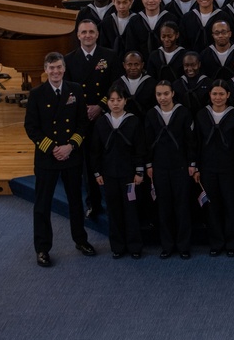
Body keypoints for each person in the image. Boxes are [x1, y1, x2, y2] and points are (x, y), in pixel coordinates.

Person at [23, 52, 95, 267]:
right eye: (51, 68)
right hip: (48, 158)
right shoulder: (36, 94)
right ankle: (43, 248)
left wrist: (70, 146)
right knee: (42, 205)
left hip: (71, 156)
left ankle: (81, 240)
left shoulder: (75, 90)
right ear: (45, 70)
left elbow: (83, 123)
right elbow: (31, 128)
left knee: (75, 201)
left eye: (59, 67)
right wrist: (53, 148)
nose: (55, 72)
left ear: (64, 69)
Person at [64, 19, 121, 221]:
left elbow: (116, 85)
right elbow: (68, 91)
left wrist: (101, 105)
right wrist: (83, 109)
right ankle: (93, 203)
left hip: (105, 115)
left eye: (91, 32)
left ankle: (113, 201)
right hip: (83, 117)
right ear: (78, 35)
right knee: (89, 162)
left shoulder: (109, 56)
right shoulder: (69, 60)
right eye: (83, 32)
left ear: (97, 34)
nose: (87, 35)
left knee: (109, 158)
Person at [90, 84, 145, 259]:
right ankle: (118, 246)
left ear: (125, 101)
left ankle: (135, 246)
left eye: (119, 100)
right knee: (113, 211)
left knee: (131, 211)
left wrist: (139, 172)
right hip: (109, 175)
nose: (115, 103)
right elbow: (95, 151)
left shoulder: (134, 121)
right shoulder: (101, 122)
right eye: (112, 100)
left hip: (129, 175)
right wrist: (98, 173)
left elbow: (140, 148)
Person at [193, 80, 234, 257]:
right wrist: (196, 167)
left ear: (228, 95)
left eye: (222, 94)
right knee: (212, 206)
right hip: (207, 168)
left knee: (230, 205)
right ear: (210, 95)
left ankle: (232, 243)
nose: (218, 97)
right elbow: (196, 143)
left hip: (229, 167)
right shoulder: (201, 114)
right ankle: (216, 242)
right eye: (215, 94)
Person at [145, 80, 195, 259]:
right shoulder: (151, 114)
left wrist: (192, 163)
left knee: (182, 207)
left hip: (180, 166)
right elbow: (148, 142)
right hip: (159, 167)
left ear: (173, 93)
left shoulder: (183, 112)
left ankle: (183, 246)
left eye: (166, 93)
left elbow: (190, 140)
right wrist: (149, 165)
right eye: (159, 94)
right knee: (163, 207)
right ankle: (167, 245)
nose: (163, 97)